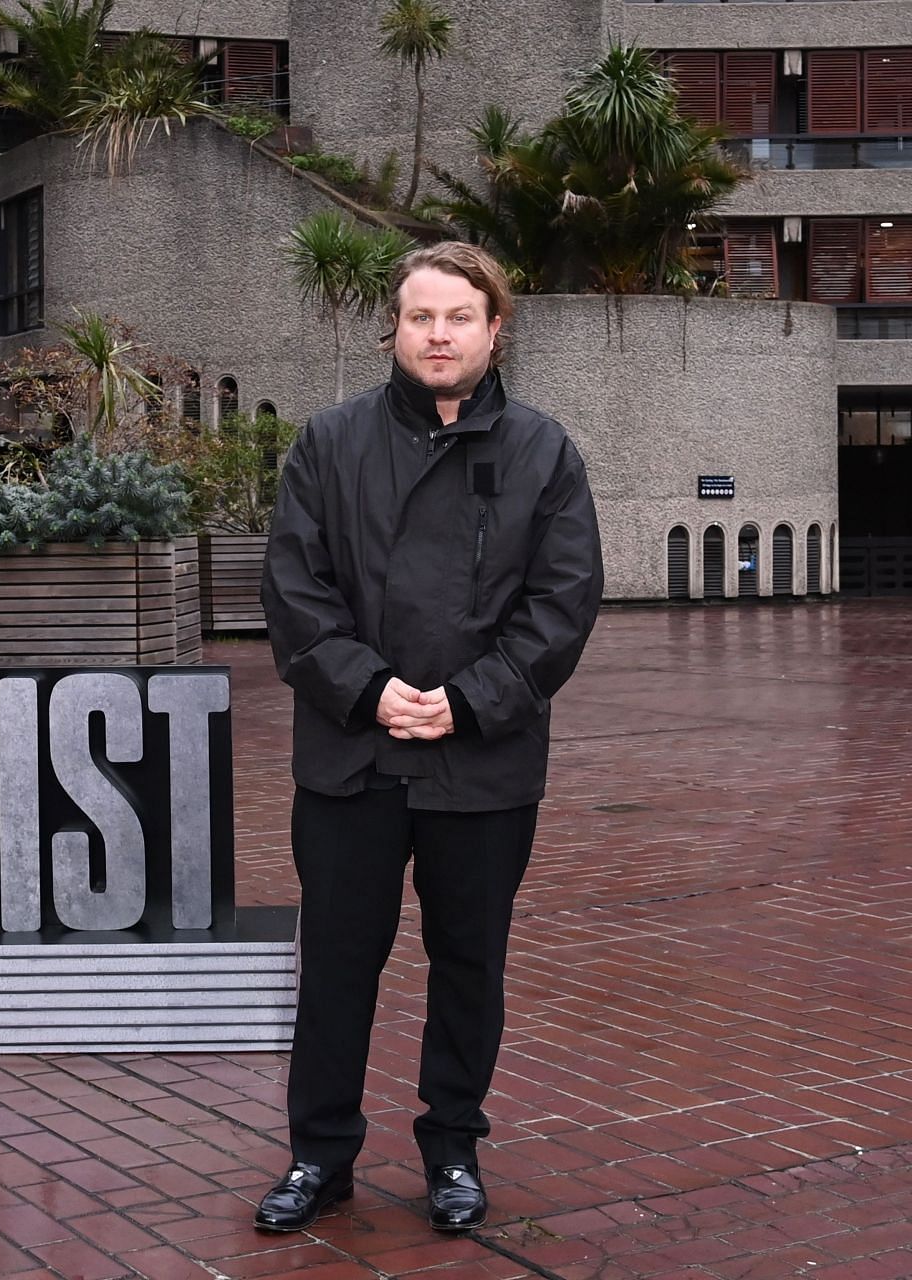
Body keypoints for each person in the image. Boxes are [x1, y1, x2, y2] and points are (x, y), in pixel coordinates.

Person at [255, 242, 603, 1234]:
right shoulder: (329, 442)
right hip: (352, 750)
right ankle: (319, 1155)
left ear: (496, 329)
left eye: (459, 317)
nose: (438, 334)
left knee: (468, 960)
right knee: (334, 961)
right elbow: (293, 591)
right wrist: (370, 690)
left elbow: (563, 601)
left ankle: (452, 1145)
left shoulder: (545, 450)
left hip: (481, 754)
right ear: (393, 329)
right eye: (420, 317)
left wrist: (471, 699)